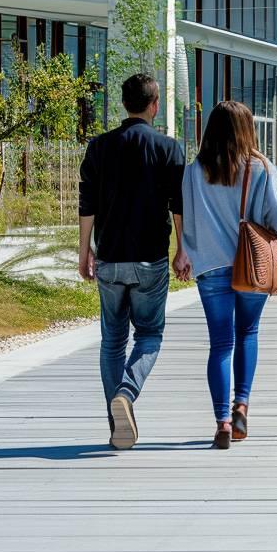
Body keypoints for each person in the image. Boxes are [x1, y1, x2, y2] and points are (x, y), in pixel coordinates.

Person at [78, 74, 187, 451]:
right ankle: (127, 392)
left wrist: (84, 251)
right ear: (154, 105)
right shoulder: (169, 148)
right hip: (150, 259)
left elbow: (87, 202)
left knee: (112, 342)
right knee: (150, 336)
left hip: (109, 256)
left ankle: (116, 424)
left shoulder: (99, 146)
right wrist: (182, 249)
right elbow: (178, 205)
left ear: (123, 104)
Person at [180, 101, 277, 450]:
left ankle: (222, 422)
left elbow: (189, 221)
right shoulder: (261, 167)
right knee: (248, 333)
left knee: (220, 344)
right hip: (252, 265)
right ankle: (241, 405)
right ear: (247, 128)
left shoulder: (195, 170)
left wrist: (188, 254)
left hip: (210, 266)